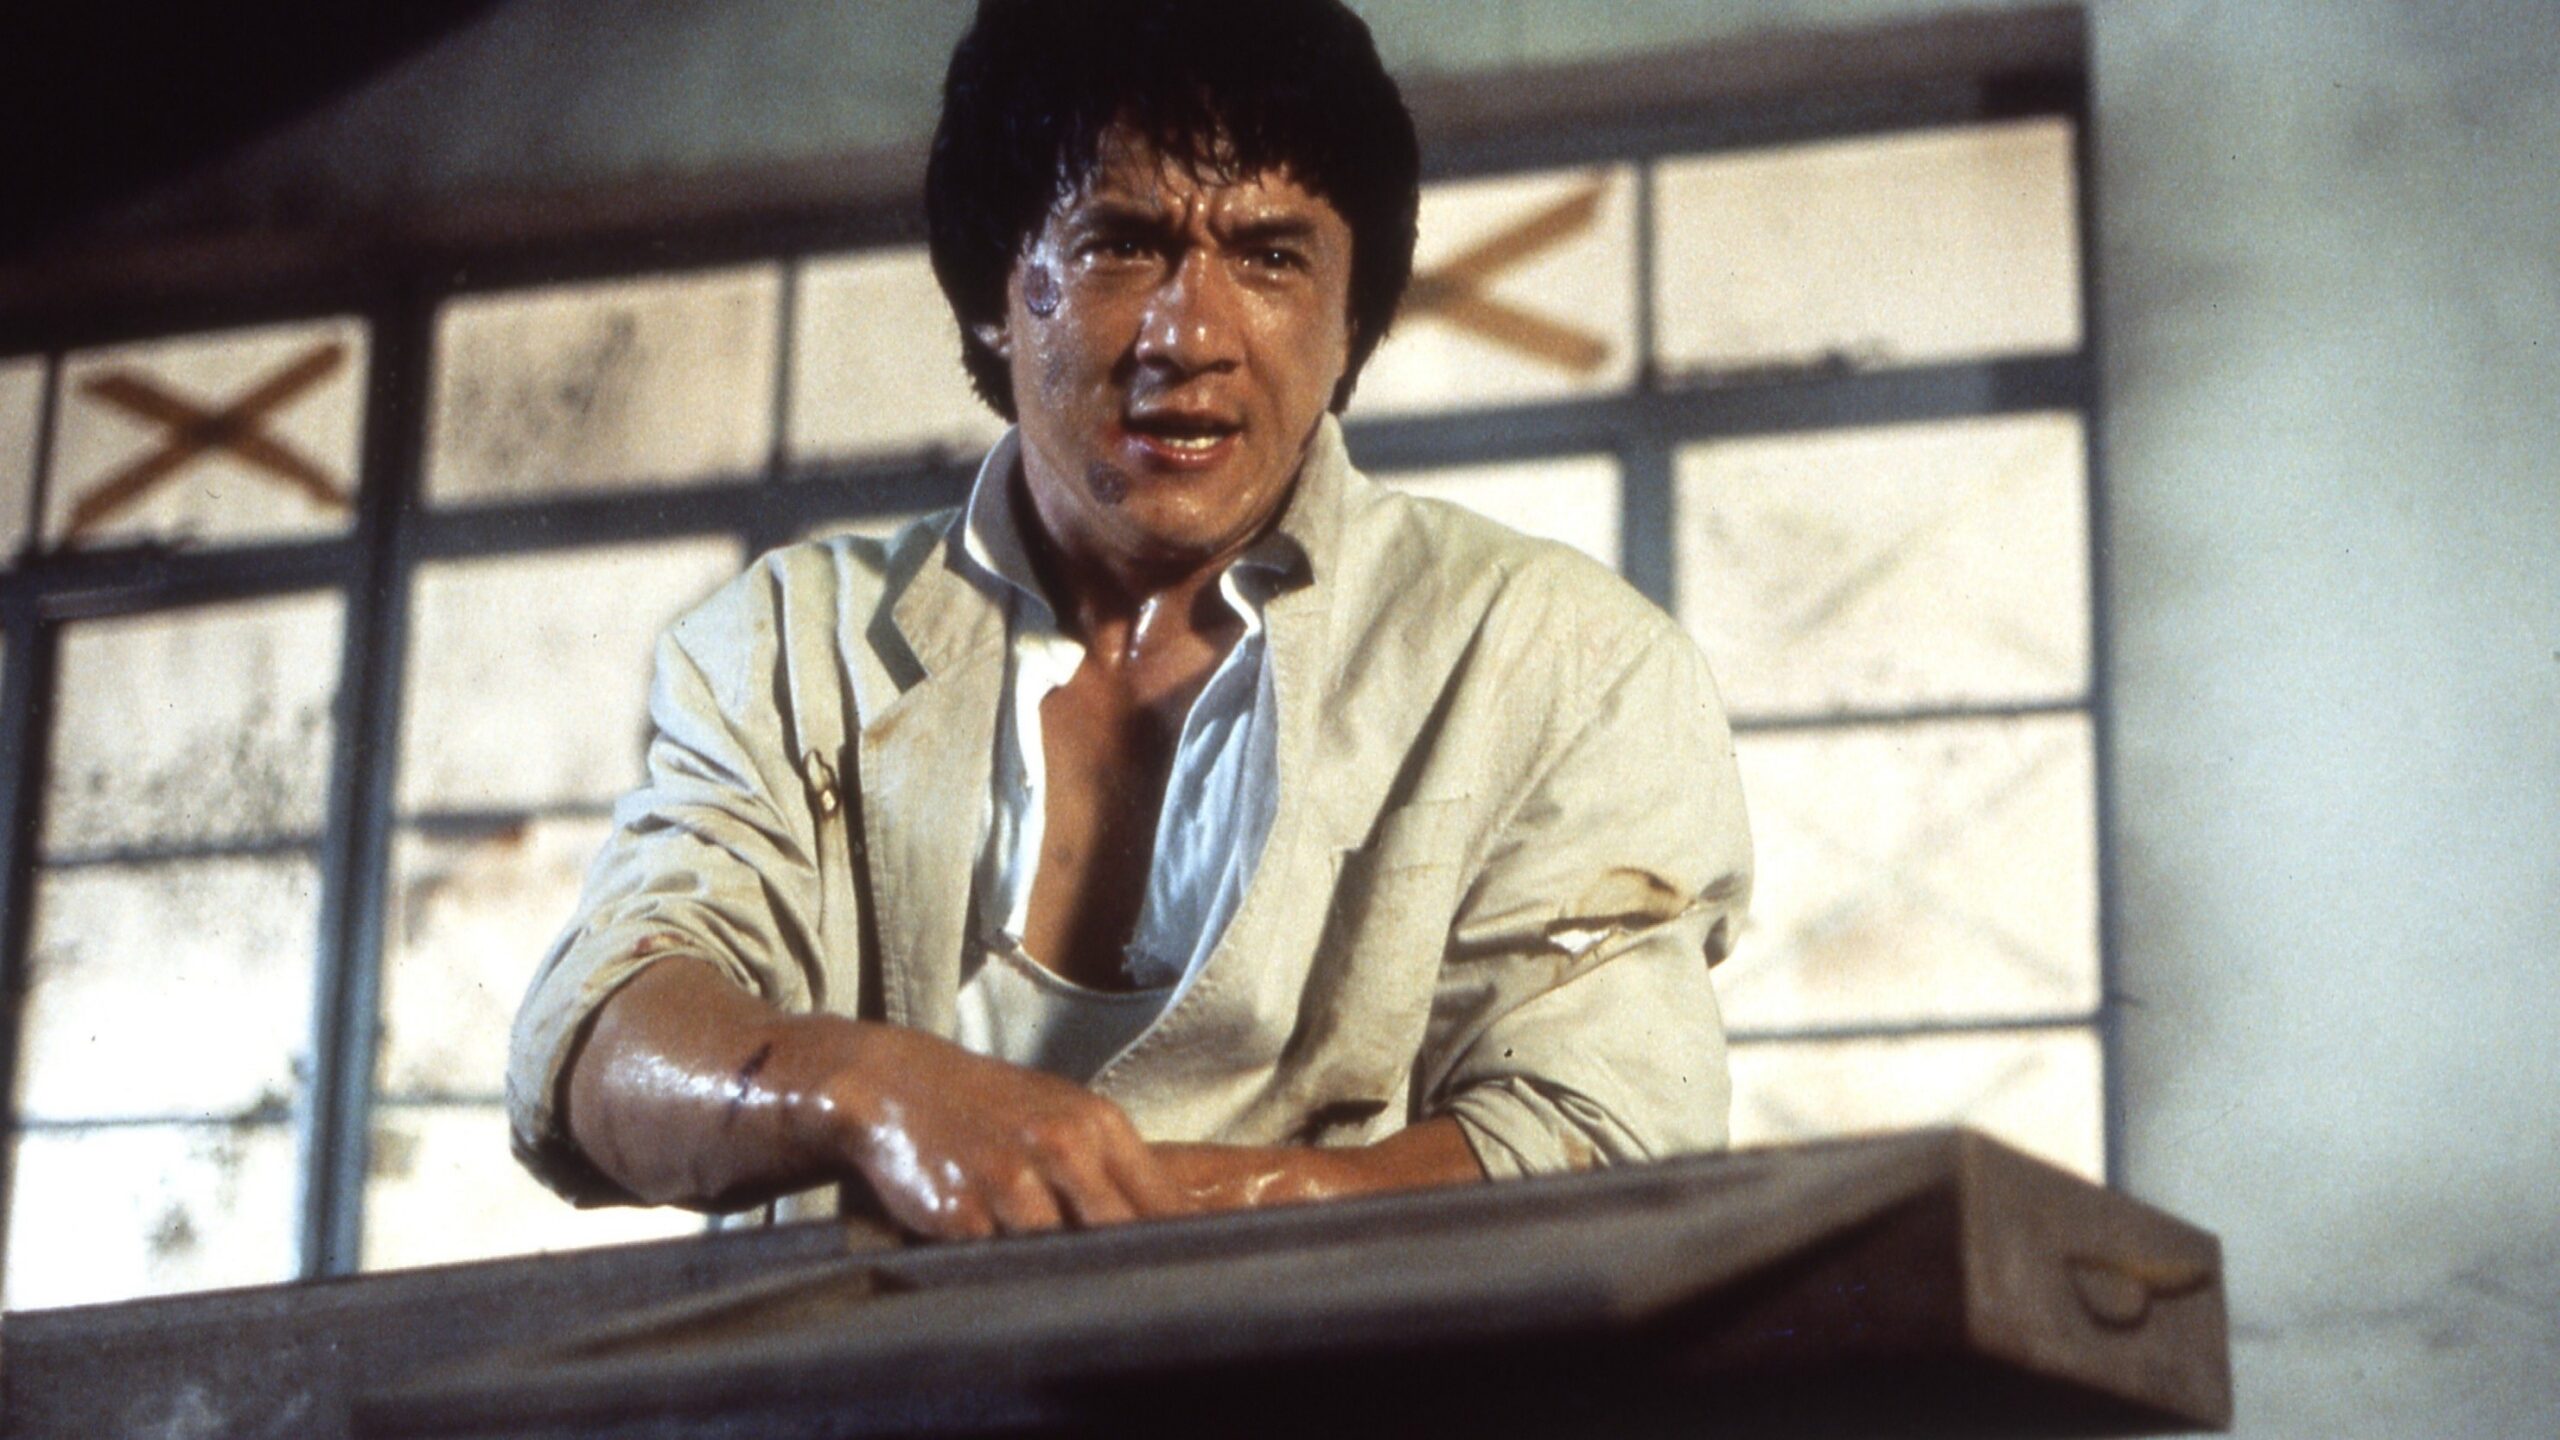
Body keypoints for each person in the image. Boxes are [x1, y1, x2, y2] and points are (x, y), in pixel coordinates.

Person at [506, 0, 1750, 1242]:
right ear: (993, 289)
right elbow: (596, 1034)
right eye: (1119, 246)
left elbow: (1609, 1136)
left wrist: (1113, 1211)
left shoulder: (1556, 657)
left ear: (1349, 316)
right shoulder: (793, 643)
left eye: (1270, 257)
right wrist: (871, 1089)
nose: (1190, 337)